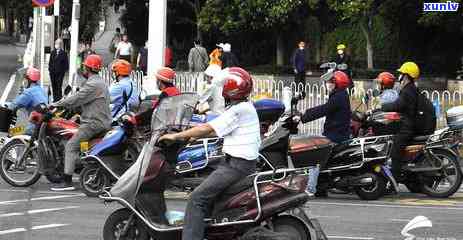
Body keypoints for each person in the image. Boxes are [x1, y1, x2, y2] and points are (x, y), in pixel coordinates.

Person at [158, 67, 260, 240]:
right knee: (205, 190)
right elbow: (216, 130)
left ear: (231, 90)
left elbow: (207, 127)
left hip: (235, 167)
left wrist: (176, 136)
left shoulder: (239, 110)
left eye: (223, 88)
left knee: (196, 199)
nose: (221, 92)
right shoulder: (243, 107)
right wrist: (190, 138)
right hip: (235, 164)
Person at [50, 54, 112, 191]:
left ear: (88, 68)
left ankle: (67, 181)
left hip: (93, 123)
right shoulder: (100, 83)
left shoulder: (93, 85)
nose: (83, 69)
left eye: (84, 66)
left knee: (71, 146)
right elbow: (83, 101)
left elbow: (76, 99)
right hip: (99, 121)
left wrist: (56, 104)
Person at [297, 70, 352, 197]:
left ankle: (310, 189)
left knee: (314, 157)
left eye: (330, 82)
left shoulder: (338, 97)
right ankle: (322, 187)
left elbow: (323, 110)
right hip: (337, 133)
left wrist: (303, 116)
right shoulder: (340, 95)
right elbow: (325, 108)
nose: (327, 84)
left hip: (335, 135)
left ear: (337, 83)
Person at [381, 62, 421, 182]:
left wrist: (383, 107)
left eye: (402, 74)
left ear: (407, 76)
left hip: (407, 127)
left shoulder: (408, 90)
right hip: (408, 123)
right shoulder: (411, 88)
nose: (400, 76)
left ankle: (394, 179)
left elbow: (398, 105)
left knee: (395, 150)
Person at [6, 67, 48, 135]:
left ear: (28, 80)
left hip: (32, 128)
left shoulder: (28, 92)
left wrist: (5, 107)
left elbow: (13, 105)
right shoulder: (41, 90)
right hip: (42, 126)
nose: (23, 81)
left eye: (25, 78)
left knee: (12, 132)